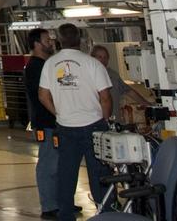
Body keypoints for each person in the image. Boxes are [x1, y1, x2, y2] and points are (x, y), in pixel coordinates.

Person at [39, 24, 112, 221]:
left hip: (66, 127)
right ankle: (106, 212)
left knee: (66, 174)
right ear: (80, 39)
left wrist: (59, 113)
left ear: (59, 40)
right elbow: (105, 97)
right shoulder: (92, 64)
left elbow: (43, 96)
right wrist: (105, 120)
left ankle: (65, 215)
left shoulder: (50, 64)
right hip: (94, 125)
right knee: (100, 173)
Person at [23, 28, 59, 219]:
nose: (51, 42)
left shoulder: (46, 64)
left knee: (58, 163)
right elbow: (44, 95)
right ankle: (49, 206)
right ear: (37, 43)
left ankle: (60, 201)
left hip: (54, 121)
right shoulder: (36, 67)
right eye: (47, 40)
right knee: (48, 164)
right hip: (46, 122)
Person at [90, 45, 149, 123]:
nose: (103, 60)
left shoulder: (113, 75)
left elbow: (129, 91)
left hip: (114, 120)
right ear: (92, 58)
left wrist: (147, 104)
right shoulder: (87, 76)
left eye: (105, 57)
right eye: (100, 57)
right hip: (94, 121)